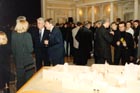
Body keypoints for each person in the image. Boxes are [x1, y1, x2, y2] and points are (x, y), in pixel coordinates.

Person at [11, 16, 35, 90]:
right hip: (28, 64)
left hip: (19, 63)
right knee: (29, 83)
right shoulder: (27, 35)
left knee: (20, 83)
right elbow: (31, 49)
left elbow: (13, 50)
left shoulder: (13, 35)